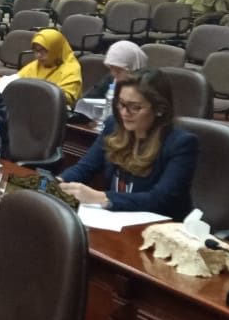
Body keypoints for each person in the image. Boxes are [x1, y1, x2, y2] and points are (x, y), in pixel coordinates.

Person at [58, 69, 199, 218]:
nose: (124, 113)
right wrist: (56, 183)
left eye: (135, 107)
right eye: (121, 104)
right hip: (117, 219)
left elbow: (160, 200)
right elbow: (85, 168)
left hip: (162, 228)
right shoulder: (113, 126)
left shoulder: (181, 144)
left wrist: (101, 197)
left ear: (159, 109)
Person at [7, 28, 83, 105]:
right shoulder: (37, 64)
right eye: (36, 50)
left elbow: (65, 98)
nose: (38, 55)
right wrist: (3, 82)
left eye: (44, 51)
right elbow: (18, 79)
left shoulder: (71, 69)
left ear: (55, 49)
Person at [83, 39, 148, 100]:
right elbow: (89, 97)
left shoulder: (147, 86)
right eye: (111, 68)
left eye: (118, 71)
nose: (113, 73)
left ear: (133, 68)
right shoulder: (111, 79)